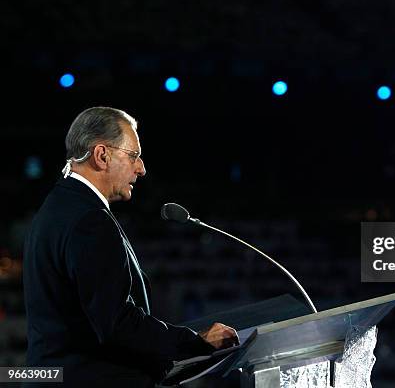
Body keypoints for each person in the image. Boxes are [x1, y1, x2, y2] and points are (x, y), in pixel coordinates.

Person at [23, 107, 238, 387]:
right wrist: (194, 343)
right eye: (133, 155)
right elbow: (117, 323)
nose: (142, 168)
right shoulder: (89, 220)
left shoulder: (56, 208)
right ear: (102, 155)